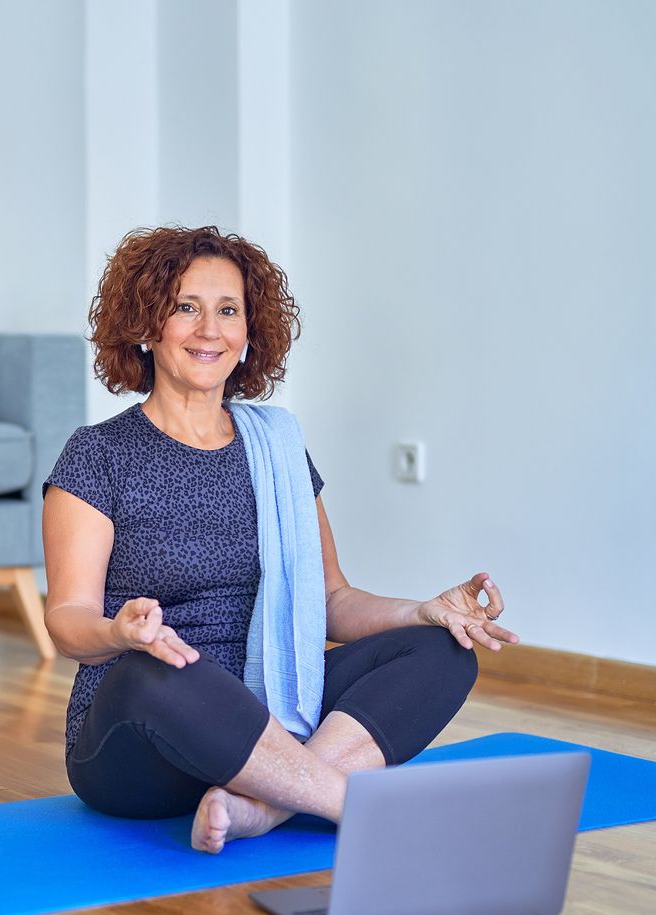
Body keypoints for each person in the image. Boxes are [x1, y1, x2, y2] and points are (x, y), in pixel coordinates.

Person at [42, 225, 519, 854]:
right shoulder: (98, 455)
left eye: (228, 310)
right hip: (146, 747)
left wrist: (422, 611)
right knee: (157, 668)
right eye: (186, 307)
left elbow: (332, 599)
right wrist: (118, 633)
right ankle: (346, 802)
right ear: (145, 324)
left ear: (249, 333)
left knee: (443, 650)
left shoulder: (278, 450)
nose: (209, 329)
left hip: (274, 711)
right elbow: (68, 620)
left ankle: (262, 806)